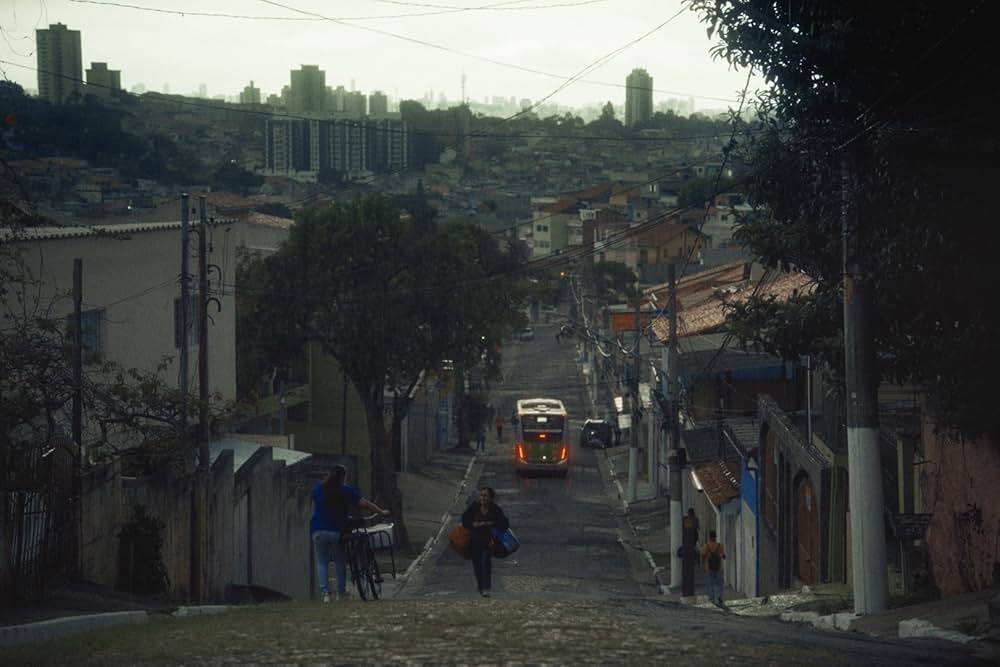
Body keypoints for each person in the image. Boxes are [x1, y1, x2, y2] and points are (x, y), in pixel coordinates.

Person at [310, 464, 389, 603]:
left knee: (322, 562)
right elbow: (365, 504)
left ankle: (326, 595)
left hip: (317, 530)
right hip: (336, 532)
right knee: (340, 561)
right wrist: (381, 512)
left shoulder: (318, 489)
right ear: (342, 477)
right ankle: (341, 593)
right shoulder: (344, 491)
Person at [461, 486, 509, 598]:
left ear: (491, 498)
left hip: (488, 540)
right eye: (481, 495)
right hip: (475, 540)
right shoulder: (474, 507)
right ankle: (481, 587)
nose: (483, 498)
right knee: (477, 565)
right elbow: (465, 520)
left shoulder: (495, 509)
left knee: (485, 562)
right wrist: (474, 524)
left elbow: (504, 524)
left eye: (485, 495)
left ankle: (486, 588)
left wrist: (491, 524)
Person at [701, 529, 726, 606]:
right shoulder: (720, 545)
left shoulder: (706, 545)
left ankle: (711, 598)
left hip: (709, 567)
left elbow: (703, 555)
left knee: (710, 583)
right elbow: (723, 556)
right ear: (715, 537)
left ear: (710, 537)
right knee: (719, 583)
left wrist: (703, 562)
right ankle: (719, 596)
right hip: (718, 567)